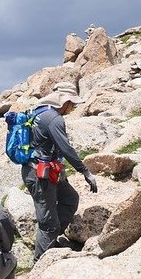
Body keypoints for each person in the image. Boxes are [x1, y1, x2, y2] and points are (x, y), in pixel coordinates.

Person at [22, 82, 98, 262]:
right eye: (72, 104)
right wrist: (85, 171)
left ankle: (50, 244)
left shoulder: (38, 112)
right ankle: (41, 263)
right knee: (48, 223)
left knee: (70, 199)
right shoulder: (54, 118)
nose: (72, 108)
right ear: (65, 102)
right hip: (41, 175)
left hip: (45, 170)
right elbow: (66, 148)